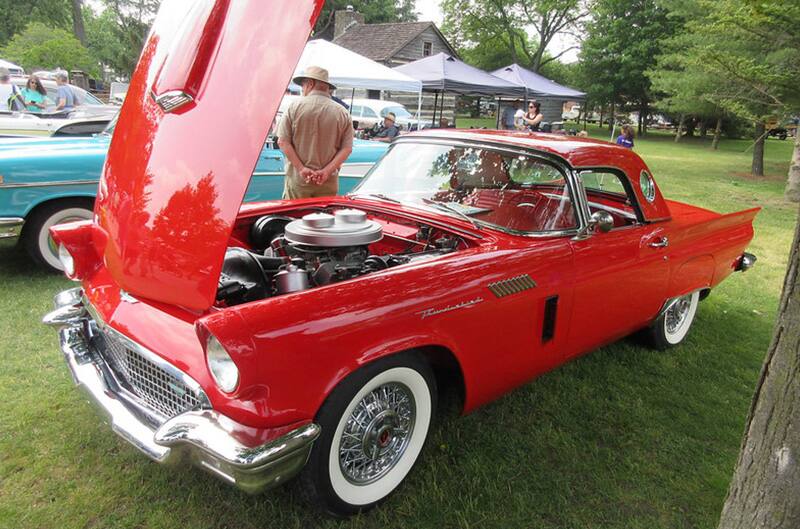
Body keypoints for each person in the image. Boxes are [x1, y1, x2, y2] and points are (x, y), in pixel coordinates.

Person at [276, 66, 353, 199]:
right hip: (327, 182)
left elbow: (282, 142)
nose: (303, 89)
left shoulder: (294, 107)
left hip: (299, 181)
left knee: (295, 218)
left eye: (303, 85)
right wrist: (326, 172)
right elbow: (347, 149)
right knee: (324, 218)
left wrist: (301, 169)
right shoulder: (342, 113)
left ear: (310, 84)